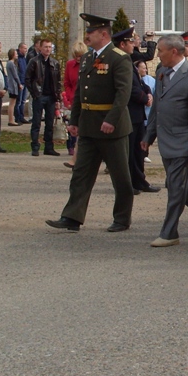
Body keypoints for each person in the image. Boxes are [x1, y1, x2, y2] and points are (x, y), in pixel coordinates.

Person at [47, 14, 134, 233]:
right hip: (88, 126)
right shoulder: (86, 59)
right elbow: (80, 93)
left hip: (111, 128)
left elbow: (123, 93)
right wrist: (74, 120)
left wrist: (111, 120)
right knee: (81, 174)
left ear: (103, 34)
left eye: (91, 32)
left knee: (120, 176)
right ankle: (72, 217)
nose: (87, 36)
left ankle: (122, 218)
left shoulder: (118, 58)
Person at [141, 34, 188, 246]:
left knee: (174, 186)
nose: (157, 55)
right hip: (166, 140)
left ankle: (169, 233)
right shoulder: (162, 72)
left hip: (184, 142)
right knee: (178, 183)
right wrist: (149, 135)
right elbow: (157, 107)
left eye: (160, 51)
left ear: (173, 51)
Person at [113, 28, 157, 193]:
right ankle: (128, 183)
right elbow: (128, 89)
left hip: (138, 116)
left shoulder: (129, 62)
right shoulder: (120, 62)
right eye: (131, 42)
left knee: (139, 150)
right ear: (122, 44)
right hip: (129, 114)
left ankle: (140, 181)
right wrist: (145, 99)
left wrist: (148, 93)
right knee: (129, 152)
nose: (134, 44)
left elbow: (140, 84)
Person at [25, 38, 62, 156]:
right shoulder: (34, 61)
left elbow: (58, 82)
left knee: (49, 123)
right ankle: (35, 146)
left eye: (50, 47)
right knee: (36, 122)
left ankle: (49, 147)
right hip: (39, 95)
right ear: (40, 48)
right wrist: (34, 93)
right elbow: (27, 79)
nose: (48, 49)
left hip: (51, 96)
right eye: (45, 47)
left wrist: (57, 98)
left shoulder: (55, 63)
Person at [61, 39, 86, 167]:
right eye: (76, 55)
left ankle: (77, 159)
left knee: (83, 131)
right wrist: (70, 98)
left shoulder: (89, 64)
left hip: (86, 101)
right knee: (77, 129)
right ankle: (75, 159)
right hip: (74, 102)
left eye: (80, 56)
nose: (78, 58)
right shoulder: (70, 65)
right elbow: (67, 83)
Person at [5, 48, 21, 126]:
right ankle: (11, 120)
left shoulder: (9, 63)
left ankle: (11, 119)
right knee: (12, 103)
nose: (17, 55)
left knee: (12, 103)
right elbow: (15, 75)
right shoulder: (11, 63)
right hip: (13, 85)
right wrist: (19, 84)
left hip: (11, 85)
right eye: (16, 54)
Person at [15, 43, 30, 125]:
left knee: (23, 101)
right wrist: (19, 82)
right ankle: (17, 117)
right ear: (20, 48)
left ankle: (21, 116)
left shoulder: (24, 58)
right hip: (20, 83)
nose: (26, 50)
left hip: (25, 82)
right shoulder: (17, 58)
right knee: (19, 101)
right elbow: (17, 71)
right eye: (24, 48)